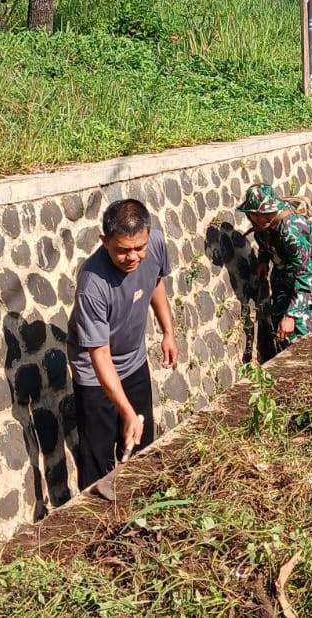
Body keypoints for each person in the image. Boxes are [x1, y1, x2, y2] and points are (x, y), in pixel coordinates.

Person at [67, 199, 178, 490]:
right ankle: (94, 520)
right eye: (122, 250)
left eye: (138, 248)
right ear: (104, 241)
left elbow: (155, 282)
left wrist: (168, 331)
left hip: (134, 361)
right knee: (98, 459)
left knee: (142, 445)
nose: (132, 257)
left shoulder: (153, 244)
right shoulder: (92, 285)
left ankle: (143, 507)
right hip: (95, 374)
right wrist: (126, 412)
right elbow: (99, 354)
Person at [237, 184, 312, 347]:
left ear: (274, 208)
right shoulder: (262, 226)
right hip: (284, 270)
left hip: (307, 270)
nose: (261, 218)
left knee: (301, 331)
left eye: (266, 213)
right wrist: (263, 261)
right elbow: (265, 244)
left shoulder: (291, 230)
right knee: (279, 316)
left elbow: (304, 274)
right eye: (256, 214)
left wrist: (292, 315)